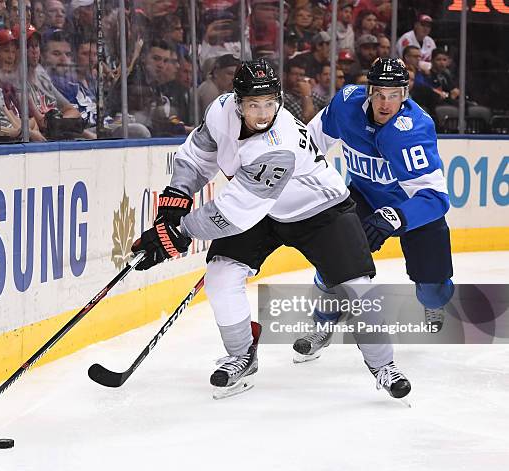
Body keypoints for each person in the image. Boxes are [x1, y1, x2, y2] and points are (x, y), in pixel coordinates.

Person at [131, 58, 411, 401]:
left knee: (357, 289)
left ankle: (384, 366)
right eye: (253, 105)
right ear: (236, 102)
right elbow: (197, 155)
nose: (263, 113)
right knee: (221, 275)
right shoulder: (219, 111)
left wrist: (177, 235)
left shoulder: (279, 145)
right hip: (263, 210)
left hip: (321, 211)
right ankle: (241, 355)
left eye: (270, 104)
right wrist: (175, 199)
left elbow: (234, 212)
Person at [306, 58, 453, 331]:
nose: (386, 104)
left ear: (404, 95)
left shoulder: (414, 129)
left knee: (433, 289)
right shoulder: (346, 105)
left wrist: (393, 217)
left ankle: (433, 302)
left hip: (413, 210)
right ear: (368, 91)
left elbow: (435, 198)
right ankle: (324, 319)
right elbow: (308, 145)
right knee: (335, 254)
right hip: (364, 197)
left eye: (394, 96)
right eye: (379, 95)